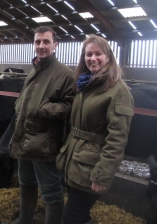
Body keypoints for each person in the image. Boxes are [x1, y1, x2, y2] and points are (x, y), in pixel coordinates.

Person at [56, 34, 134, 224]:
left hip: (92, 168)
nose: (93, 58)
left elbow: (117, 139)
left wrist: (102, 175)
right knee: (79, 215)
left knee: (71, 217)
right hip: (75, 163)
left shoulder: (118, 91)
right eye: (88, 54)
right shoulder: (85, 84)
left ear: (108, 56)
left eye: (98, 54)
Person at [9, 26, 75, 224]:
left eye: (46, 42)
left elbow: (71, 107)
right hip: (24, 137)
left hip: (44, 143)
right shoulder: (35, 69)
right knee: (26, 182)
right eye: (38, 42)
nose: (41, 46)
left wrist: (44, 108)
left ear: (55, 45)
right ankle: (24, 220)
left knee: (51, 191)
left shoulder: (65, 74)